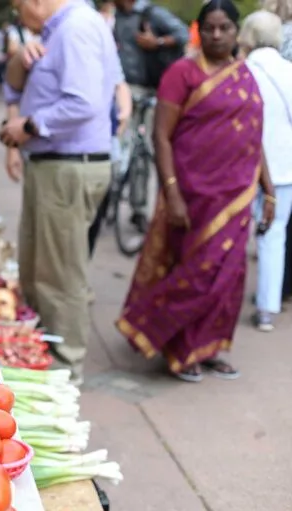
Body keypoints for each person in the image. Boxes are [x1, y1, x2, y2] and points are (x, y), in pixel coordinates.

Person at [116, 0, 275, 383]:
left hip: (236, 197)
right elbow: (162, 136)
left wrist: (269, 193)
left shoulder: (245, 75)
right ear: (198, 30)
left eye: (225, 28)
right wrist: (171, 193)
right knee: (195, 275)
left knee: (230, 277)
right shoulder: (182, 73)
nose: (217, 35)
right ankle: (178, 349)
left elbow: (255, 140)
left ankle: (212, 348)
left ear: (237, 33)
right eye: (210, 28)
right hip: (192, 195)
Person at [0, 0, 121, 384]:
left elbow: (82, 103)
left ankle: (66, 368)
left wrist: (28, 127)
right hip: (57, 164)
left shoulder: (75, 28)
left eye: (18, 6)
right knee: (43, 268)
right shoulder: (61, 30)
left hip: (68, 165)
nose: (18, 16)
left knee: (61, 274)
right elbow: (14, 84)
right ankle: (43, 351)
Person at [238, 11, 292, 332]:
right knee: (275, 234)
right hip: (285, 168)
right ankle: (266, 308)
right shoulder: (290, 72)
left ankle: (225, 297)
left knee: (235, 234)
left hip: (244, 164)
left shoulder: (242, 72)